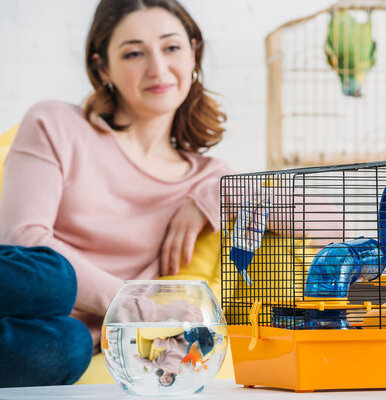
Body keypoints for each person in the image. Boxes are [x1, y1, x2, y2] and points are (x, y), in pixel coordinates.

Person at [0, 0, 231, 386]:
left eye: (171, 47)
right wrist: (139, 308)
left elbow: (325, 217)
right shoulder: (55, 122)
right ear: (102, 67)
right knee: (53, 279)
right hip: (17, 288)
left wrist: (210, 197)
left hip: (55, 336)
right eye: (134, 53)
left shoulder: (211, 181)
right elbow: (22, 241)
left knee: (69, 347)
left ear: (193, 52)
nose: (157, 68)